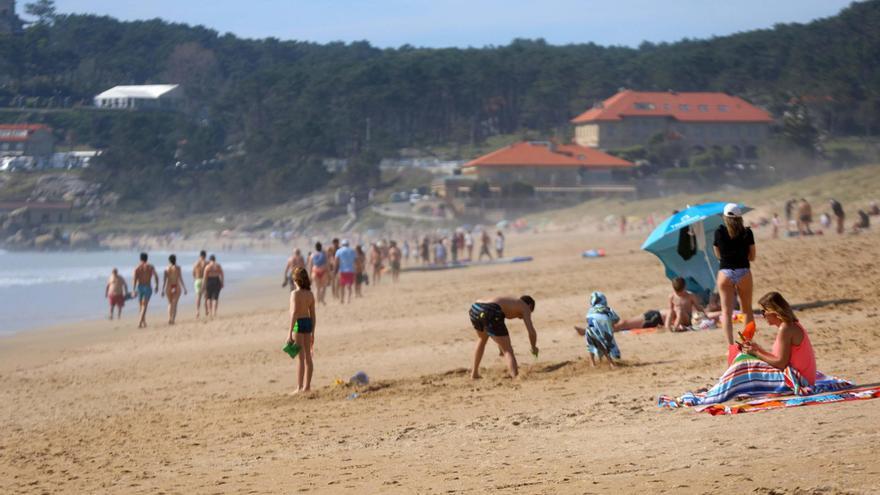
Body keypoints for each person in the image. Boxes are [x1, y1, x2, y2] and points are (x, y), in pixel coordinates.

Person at [741, 292, 816, 385]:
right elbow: (778, 359)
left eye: (763, 311)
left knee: (744, 365)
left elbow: (780, 363)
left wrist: (756, 353)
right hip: (802, 377)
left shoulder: (786, 328)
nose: (762, 316)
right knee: (746, 362)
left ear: (774, 311)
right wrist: (758, 349)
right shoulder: (789, 325)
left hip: (799, 380)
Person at [714, 203, 756, 361]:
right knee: (747, 311)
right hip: (743, 271)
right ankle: (746, 345)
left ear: (725, 217)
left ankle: (730, 347)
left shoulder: (719, 231)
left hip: (725, 272)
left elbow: (717, 254)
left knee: (726, 312)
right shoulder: (747, 232)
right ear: (740, 217)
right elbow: (752, 256)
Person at [469, 295, 538, 379]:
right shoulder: (525, 307)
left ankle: (474, 373)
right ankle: (515, 377)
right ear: (530, 306)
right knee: (508, 350)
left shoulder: (509, 302)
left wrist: (500, 348)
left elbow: (497, 328)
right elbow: (531, 332)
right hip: (490, 309)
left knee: (482, 339)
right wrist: (533, 347)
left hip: (476, 307)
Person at [287, 267, 316, 394]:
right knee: (308, 357)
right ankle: (307, 386)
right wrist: (313, 332)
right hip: (308, 322)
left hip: (298, 323)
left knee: (300, 358)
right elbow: (313, 315)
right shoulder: (310, 294)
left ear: (296, 280)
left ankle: (299, 387)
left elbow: (294, 313)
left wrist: (289, 333)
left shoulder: (295, 294)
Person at [573, 292, 621, 368]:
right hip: (603, 329)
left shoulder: (590, 310)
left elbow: (588, 320)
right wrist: (611, 325)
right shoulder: (608, 309)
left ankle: (592, 362)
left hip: (591, 329)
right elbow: (616, 319)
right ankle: (611, 363)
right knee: (604, 344)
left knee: (591, 341)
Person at [133, 252, 159, 329]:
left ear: (140, 259)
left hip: (140, 287)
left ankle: (141, 322)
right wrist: (156, 285)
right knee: (144, 305)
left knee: (141, 305)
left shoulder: (137, 268)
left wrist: (134, 290)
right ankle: (142, 322)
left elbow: (134, 279)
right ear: (147, 258)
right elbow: (156, 276)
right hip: (148, 287)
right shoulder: (150, 267)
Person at [162, 254, 188, 325]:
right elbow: (180, 278)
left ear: (169, 260)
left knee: (170, 303)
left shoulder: (166, 269)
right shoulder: (178, 268)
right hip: (176, 286)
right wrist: (185, 288)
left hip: (169, 286)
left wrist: (162, 290)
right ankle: (173, 319)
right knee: (175, 304)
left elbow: (164, 280)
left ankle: (169, 318)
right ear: (175, 260)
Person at [335, 239, 356, 304]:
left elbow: (336, 261)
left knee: (342, 286)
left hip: (342, 270)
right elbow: (356, 260)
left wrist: (335, 269)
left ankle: (342, 299)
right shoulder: (352, 251)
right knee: (349, 286)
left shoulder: (339, 251)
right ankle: (348, 300)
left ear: (342, 244)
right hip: (350, 270)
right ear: (348, 244)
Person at [192, 250, 208, 319]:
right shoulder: (207, 263)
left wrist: (195, 279)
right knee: (206, 297)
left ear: (200, 255)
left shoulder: (195, 263)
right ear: (205, 256)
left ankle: (197, 311)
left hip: (198, 280)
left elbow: (193, 273)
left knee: (198, 297)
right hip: (205, 280)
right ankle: (206, 310)